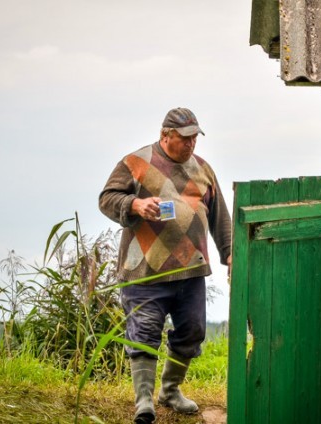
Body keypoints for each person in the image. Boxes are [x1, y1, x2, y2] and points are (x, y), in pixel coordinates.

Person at [99, 107, 232, 423]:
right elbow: (106, 198)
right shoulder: (136, 163)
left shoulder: (203, 169)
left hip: (191, 270)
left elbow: (220, 217)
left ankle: (170, 391)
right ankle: (144, 402)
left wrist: (230, 255)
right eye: (184, 138)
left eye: (194, 138)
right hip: (144, 270)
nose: (191, 144)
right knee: (144, 332)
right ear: (165, 136)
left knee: (192, 330)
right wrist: (135, 203)